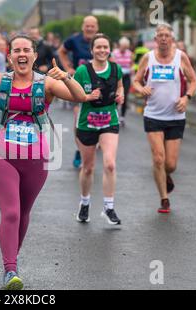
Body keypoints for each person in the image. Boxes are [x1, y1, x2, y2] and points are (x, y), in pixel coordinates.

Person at [0, 35, 99, 290]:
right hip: (1, 154)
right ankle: (10, 270)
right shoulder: (0, 80)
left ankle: (13, 257)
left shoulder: (48, 84)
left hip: (36, 157)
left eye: (27, 50)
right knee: (10, 212)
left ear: (34, 55)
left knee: (23, 213)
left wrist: (65, 76)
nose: (22, 55)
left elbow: (79, 97)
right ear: (9, 56)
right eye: (16, 50)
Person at [133, 23, 196, 213]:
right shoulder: (148, 57)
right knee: (159, 159)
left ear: (171, 39)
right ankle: (164, 198)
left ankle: (165, 175)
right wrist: (140, 88)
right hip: (153, 115)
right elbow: (137, 81)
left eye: (166, 35)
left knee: (171, 164)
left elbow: (194, 80)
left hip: (176, 116)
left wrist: (187, 97)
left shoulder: (180, 57)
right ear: (155, 40)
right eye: (160, 35)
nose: (163, 38)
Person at [74, 34, 124, 225]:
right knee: (88, 168)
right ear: (92, 50)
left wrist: (120, 96)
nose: (102, 50)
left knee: (110, 164)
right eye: (98, 47)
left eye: (105, 47)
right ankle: (84, 203)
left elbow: (120, 87)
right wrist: (87, 96)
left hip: (109, 121)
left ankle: (109, 207)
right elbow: (73, 95)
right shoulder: (82, 71)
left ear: (110, 49)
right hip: (87, 124)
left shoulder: (116, 69)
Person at [58, 16, 99, 168]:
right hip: (79, 84)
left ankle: (91, 147)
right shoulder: (74, 40)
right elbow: (61, 51)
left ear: (97, 27)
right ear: (83, 27)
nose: (89, 28)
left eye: (92, 26)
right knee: (78, 119)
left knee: (96, 119)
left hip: (98, 86)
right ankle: (79, 150)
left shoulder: (101, 41)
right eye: (87, 26)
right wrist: (68, 68)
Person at [111, 37, 133, 126]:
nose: (124, 48)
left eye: (126, 47)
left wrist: (132, 73)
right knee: (116, 95)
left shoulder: (130, 53)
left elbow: (131, 64)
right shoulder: (114, 53)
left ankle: (122, 117)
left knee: (125, 96)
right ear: (120, 45)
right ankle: (114, 113)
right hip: (117, 77)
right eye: (123, 46)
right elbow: (112, 64)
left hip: (126, 77)